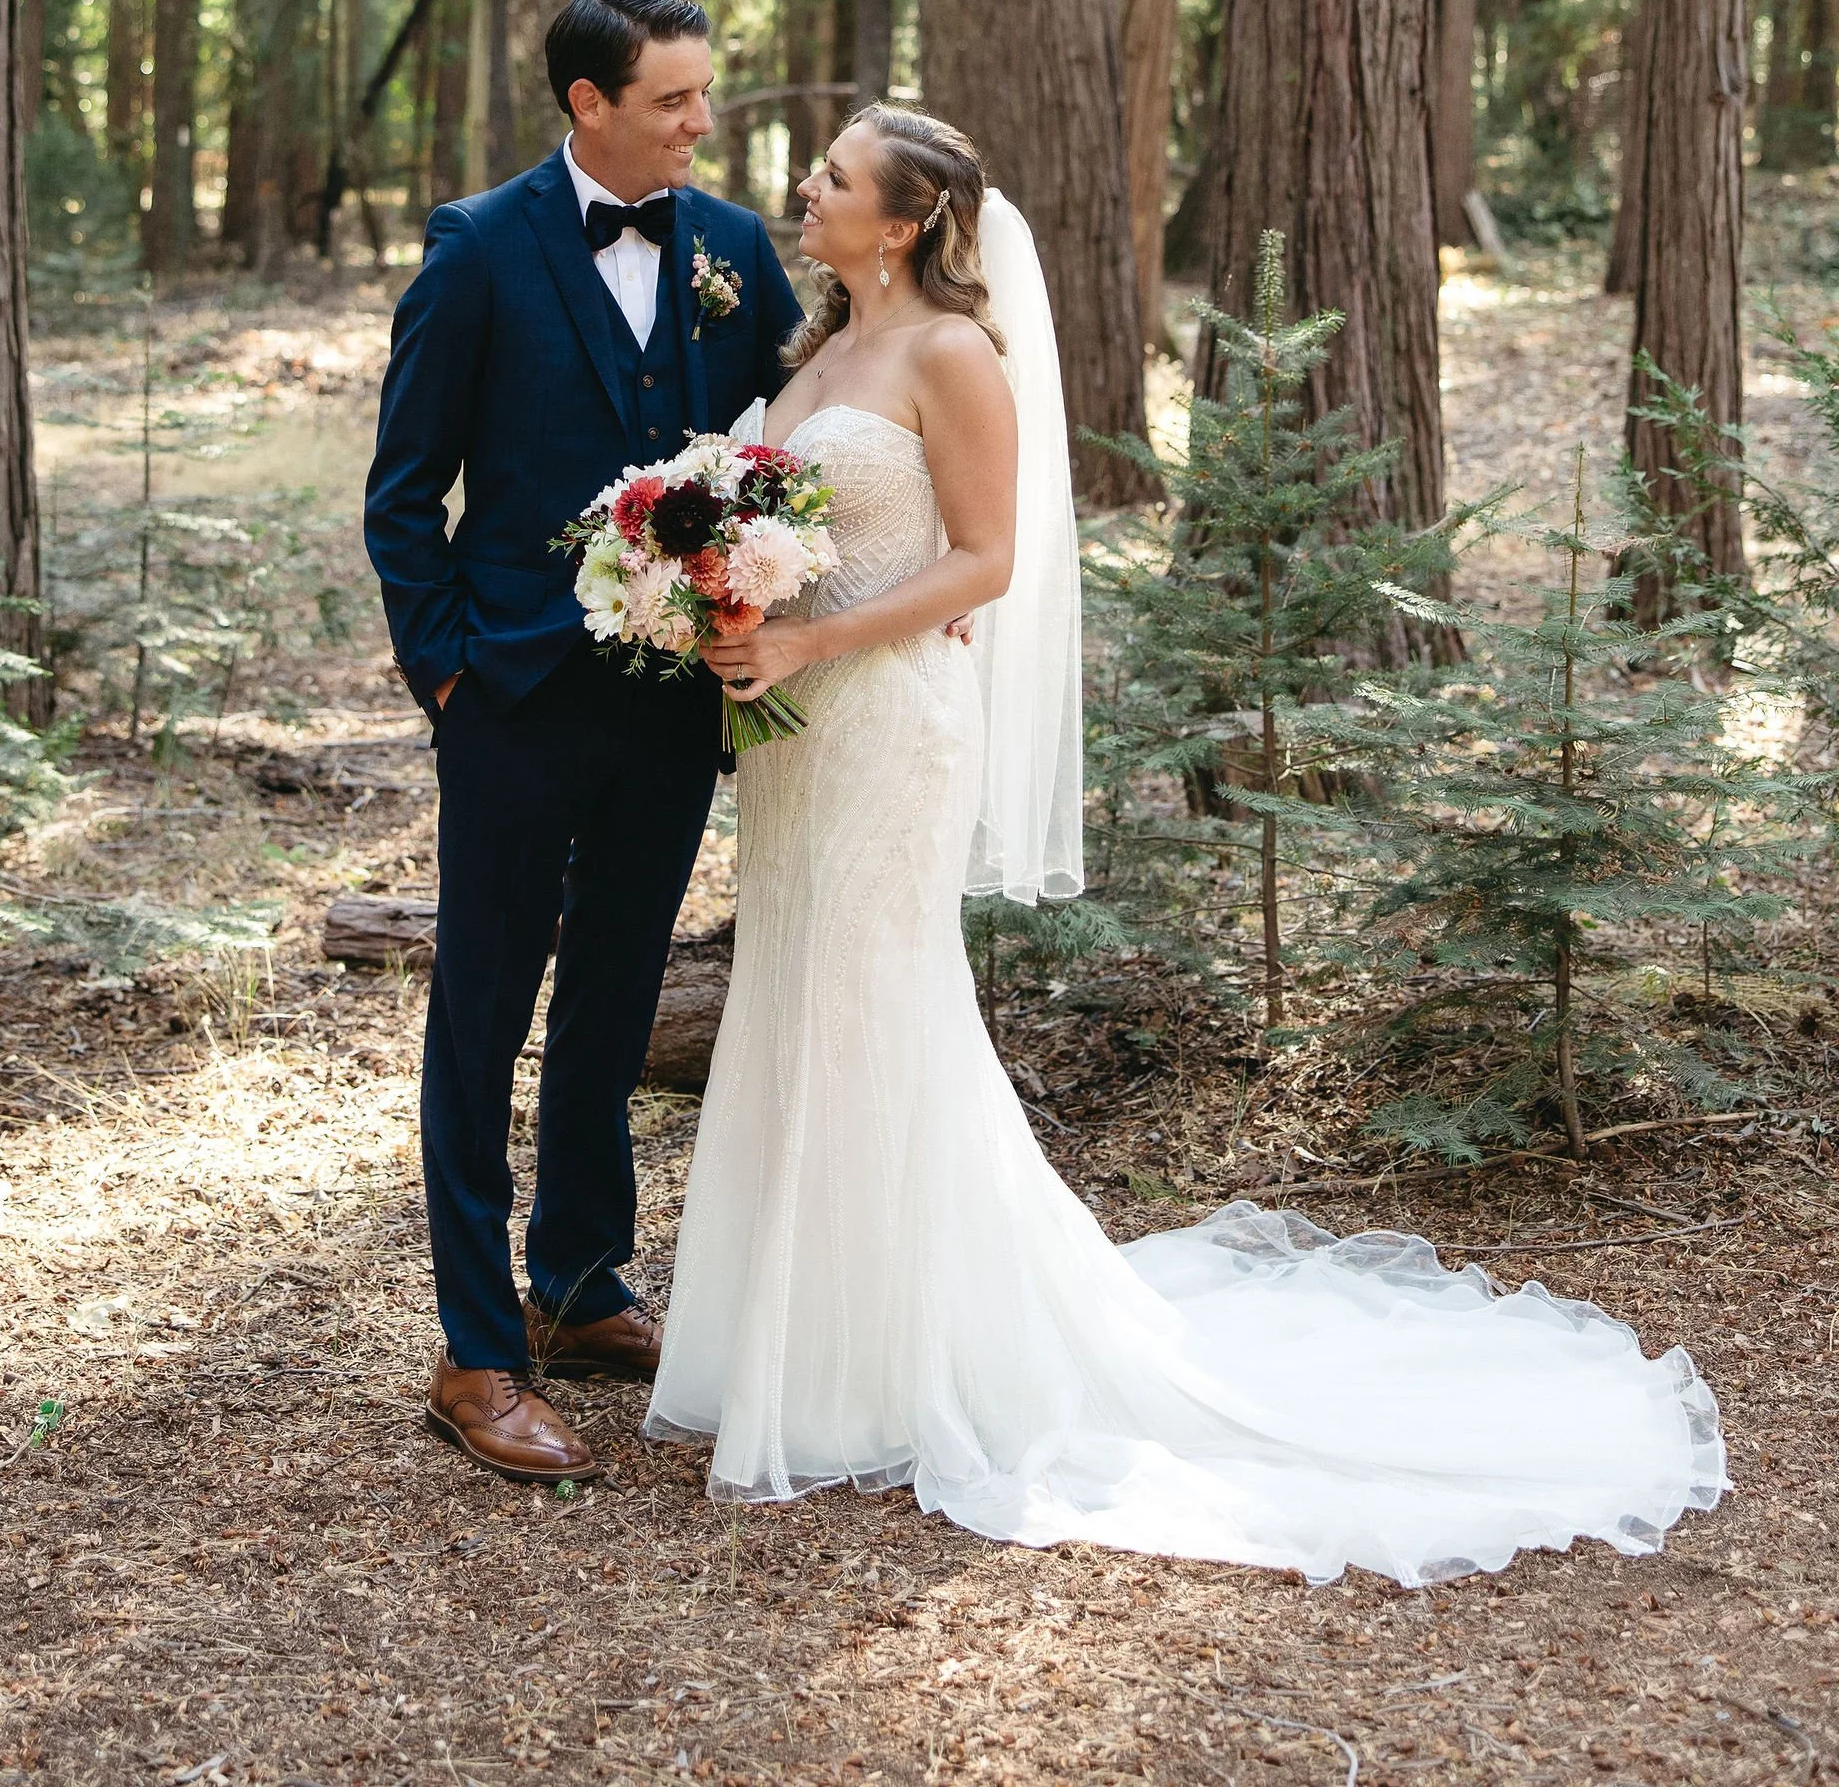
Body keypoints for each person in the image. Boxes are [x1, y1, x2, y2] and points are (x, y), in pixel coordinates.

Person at [648, 103, 1726, 1585]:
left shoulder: (956, 356)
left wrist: (819, 630)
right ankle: (808, 1341)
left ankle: (884, 1369)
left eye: (835, 176)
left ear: (901, 221)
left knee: (873, 1006)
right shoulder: (816, 349)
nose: (807, 187)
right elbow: (804, 519)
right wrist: (735, 607)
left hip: (893, 719)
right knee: (800, 1000)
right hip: (800, 730)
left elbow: (990, 560)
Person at [364, 0, 803, 1484]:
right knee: (481, 1014)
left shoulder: (739, 253)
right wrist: (448, 678)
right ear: (588, 106)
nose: (703, 121)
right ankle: (475, 1352)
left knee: (617, 996)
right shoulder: (482, 250)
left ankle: (579, 1283)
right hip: (514, 700)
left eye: (703, 94)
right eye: (676, 100)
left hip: (675, 703)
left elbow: (803, 445)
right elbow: (404, 490)